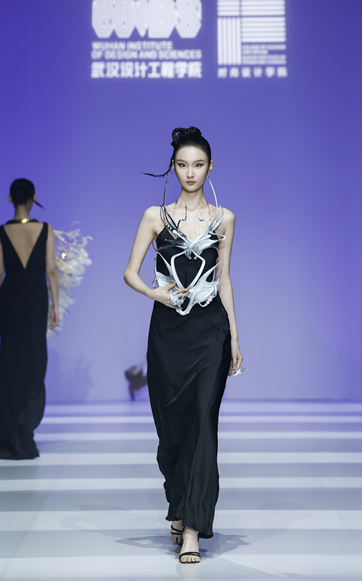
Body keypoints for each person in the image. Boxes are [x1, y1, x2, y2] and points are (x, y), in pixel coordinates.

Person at [124, 127, 243, 563]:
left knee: (202, 423)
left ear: (210, 168)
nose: (190, 172)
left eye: (198, 165)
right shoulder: (154, 216)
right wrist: (153, 293)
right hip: (168, 333)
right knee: (171, 429)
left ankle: (192, 527)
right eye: (182, 164)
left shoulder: (224, 218)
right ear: (172, 168)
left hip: (211, 332)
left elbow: (224, 279)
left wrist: (235, 336)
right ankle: (178, 503)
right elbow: (130, 272)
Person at [0, 178, 59, 460]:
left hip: (10, 302)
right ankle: (24, 424)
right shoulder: (45, 229)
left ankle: (8, 431)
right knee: (35, 360)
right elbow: (51, 270)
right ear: (33, 197)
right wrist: (55, 305)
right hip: (36, 301)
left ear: (10, 198)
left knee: (9, 362)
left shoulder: (1, 232)